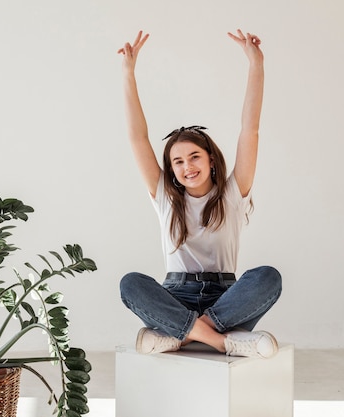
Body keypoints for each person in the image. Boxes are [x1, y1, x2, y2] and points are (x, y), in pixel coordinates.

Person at [117, 29, 282, 358]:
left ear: (210, 160)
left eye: (194, 157)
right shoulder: (165, 196)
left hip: (226, 300)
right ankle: (222, 341)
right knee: (130, 283)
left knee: (268, 277)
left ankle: (181, 335)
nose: (186, 166)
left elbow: (250, 129)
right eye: (177, 161)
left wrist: (256, 65)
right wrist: (128, 73)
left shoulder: (233, 193)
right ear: (172, 169)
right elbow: (138, 138)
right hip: (176, 296)